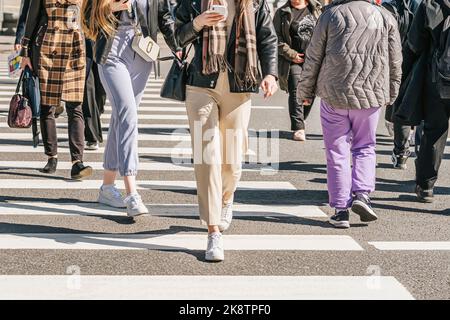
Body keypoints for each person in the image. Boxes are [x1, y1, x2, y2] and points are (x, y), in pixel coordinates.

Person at [175, 0, 278, 261]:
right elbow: (177, 35)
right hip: (201, 84)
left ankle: (227, 196)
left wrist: (271, 74)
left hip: (239, 84)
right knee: (207, 156)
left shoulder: (256, 2)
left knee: (232, 159)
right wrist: (198, 23)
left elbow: (267, 38)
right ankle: (212, 231)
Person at [298, 0, 402, 228]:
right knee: (365, 146)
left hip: (335, 92)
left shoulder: (331, 14)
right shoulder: (385, 17)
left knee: (337, 151)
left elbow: (314, 55)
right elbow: (395, 60)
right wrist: (391, 93)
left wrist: (305, 92)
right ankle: (363, 195)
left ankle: (341, 209)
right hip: (371, 95)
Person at [82, 0, 180, 216]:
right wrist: (111, 8)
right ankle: (132, 192)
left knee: (121, 118)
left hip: (142, 54)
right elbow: (87, 15)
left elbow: (164, 16)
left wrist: (177, 47)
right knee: (128, 116)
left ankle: (107, 187)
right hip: (112, 51)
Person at [20, 0, 93, 180]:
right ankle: (51, 157)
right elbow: (32, 17)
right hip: (47, 47)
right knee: (47, 105)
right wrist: (24, 51)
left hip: (75, 49)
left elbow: (94, 13)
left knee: (75, 106)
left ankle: (77, 162)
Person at [405, 0, 449, 203]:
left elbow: (414, 44)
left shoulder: (430, 5)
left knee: (433, 132)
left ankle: (426, 186)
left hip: (436, 78)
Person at [273, 0, 321, 141]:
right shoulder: (282, 12)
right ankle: (298, 128)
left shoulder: (317, 9)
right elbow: (276, 37)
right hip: (293, 60)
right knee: (296, 89)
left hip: (314, 60)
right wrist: (291, 54)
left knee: (310, 93)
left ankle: (301, 118)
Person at [382, 0, 422, 169]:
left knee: (401, 107)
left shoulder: (387, 7)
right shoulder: (426, 6)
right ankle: (420, 153)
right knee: (424, 107)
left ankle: (401, 153)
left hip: (396, 60)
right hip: (422, 61)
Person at [83, 39, 106, 151]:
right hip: (83, 41)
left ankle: (98, 113)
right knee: (87, 87)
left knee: (101, 89)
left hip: (103, 39)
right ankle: (92, 136)